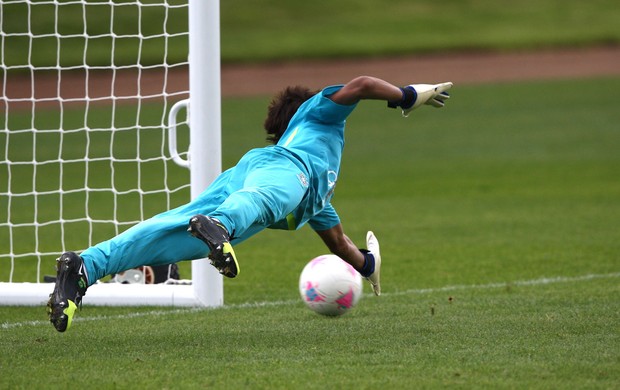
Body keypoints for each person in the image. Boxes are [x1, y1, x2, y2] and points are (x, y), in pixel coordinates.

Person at [47, 76, 453, 332]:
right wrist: (407, 96)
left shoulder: (318, 199)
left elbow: (339, 243)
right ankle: (219, 226)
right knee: (256, 202)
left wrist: (368, 265)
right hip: (272, 177)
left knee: (170, 233)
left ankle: (84, 266)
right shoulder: (315, 117)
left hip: (244, 178)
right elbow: (362, 84)